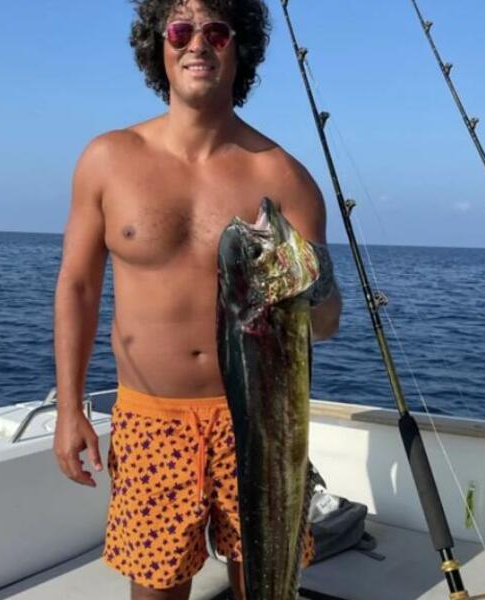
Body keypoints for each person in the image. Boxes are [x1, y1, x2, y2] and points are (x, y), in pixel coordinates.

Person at [53, 0, 342, 598]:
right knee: (157, 587)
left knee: (265, 582)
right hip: (150, 416)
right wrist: (69, 408)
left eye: (216, 31)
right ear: (158, 46)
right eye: (181, 30)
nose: (197, 44)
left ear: (240, 47)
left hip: (259, 423)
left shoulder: (286, 178)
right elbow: (78, 288)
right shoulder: (107, 159)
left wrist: (313, 283)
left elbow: (325, 323)